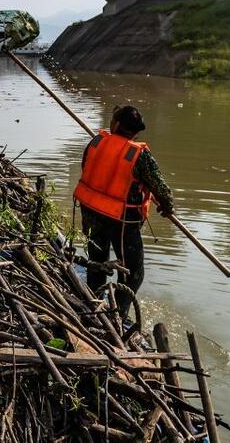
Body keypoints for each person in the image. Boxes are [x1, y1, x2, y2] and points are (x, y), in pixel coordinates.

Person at [73, 105, 173, 312]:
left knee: (97, 261)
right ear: (135, 131)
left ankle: (94, 303)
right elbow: (162, 189)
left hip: (90, 211)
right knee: (132, 272)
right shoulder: (139, 155)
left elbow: (87, 168)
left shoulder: (96, 142)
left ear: (116, 124)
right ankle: (118, 313)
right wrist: (166, 206)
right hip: (121, 220)